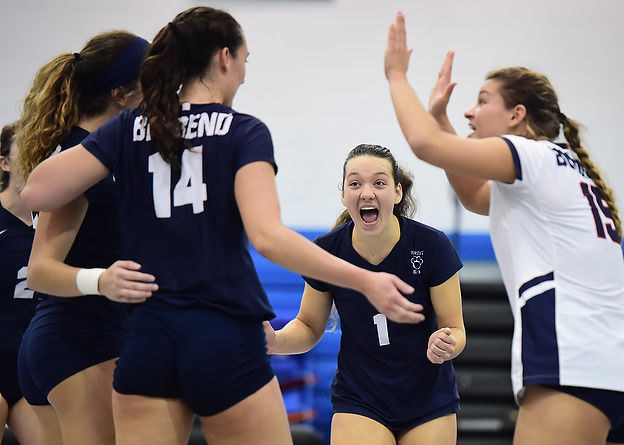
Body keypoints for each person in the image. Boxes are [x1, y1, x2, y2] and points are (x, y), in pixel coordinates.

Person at [20, 7, 423, 445]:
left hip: (146, 339)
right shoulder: (243, 132)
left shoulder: (129, 128)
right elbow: (267, 237)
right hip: (223, 335)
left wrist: (124, 137)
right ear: (225, 57)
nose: (245, 76)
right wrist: (365, 280)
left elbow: (36, 193)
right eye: (246, 62)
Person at [383, 12, 624, 445]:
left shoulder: (530, 156)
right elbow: (476, 197)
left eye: (482, 101)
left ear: (516, 114)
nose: (470, 112)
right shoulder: (567, 170)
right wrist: (440, 118)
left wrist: (397, 76)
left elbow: (424, 146)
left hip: (573, 368)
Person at [265, 144, 465, 445]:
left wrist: (447, 344)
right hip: (360, 398)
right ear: (344, 196)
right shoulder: (327, 252)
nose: (367, 193)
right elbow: (308, 326)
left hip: (427, 398)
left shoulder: (432, 245)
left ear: (397, 193)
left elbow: (457, 330)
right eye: (355, 183)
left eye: (379, 183)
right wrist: (275, 341)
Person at [14, 31, 152, 445]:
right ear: (121, 94)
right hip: (77, 341)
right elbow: (39, 271)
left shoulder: (106, 159)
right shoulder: (77, 162)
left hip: (79, 340)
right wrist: (101, 280)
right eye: (151, 82)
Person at [0, 123, 54, 445]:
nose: (37, 155)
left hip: (30, 368)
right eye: (28, 146)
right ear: (4, 162)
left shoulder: (56, 221)